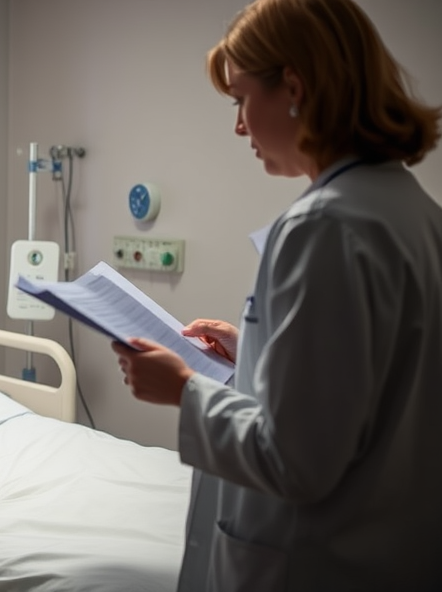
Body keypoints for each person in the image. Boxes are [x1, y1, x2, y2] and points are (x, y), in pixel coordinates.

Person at [111, 0, 442, 590]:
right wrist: (257, 354)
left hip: (315, 562)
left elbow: (296, 459)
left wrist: (183, 390)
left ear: (293, 87)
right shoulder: (414, 212)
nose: (239, 126)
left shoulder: (324, 226)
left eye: (240, 99)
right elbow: (372, 379)